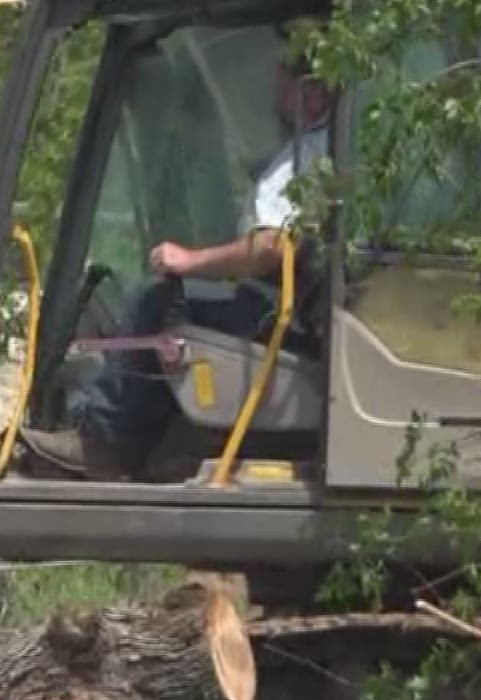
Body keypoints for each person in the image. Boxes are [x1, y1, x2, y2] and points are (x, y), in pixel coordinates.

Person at [20, 45, 336, 481]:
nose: (274, 89)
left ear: (310, 93)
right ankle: (147, 440)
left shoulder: (311, 156)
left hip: (286, 319)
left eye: (283, 78)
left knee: (157, 302)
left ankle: (103, 444)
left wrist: (189, 260)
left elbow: (274, 247)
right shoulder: (328, 146)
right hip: (298, 312)